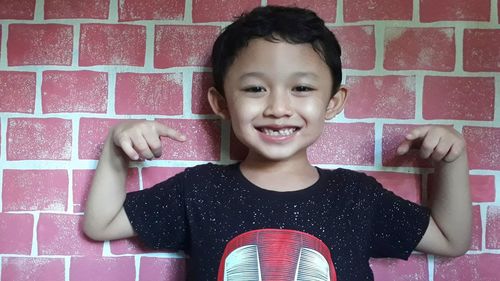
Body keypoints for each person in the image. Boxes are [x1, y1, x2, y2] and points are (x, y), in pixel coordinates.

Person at [83, 5, 472, 281]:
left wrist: (452, 160)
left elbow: (451, 239)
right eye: (255, 88)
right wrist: (117, 153)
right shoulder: (199, 190)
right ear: (221, 103)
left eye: (301, 88)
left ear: (333, 102)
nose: (278, 107)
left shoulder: (357, 196)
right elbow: (101, 224)